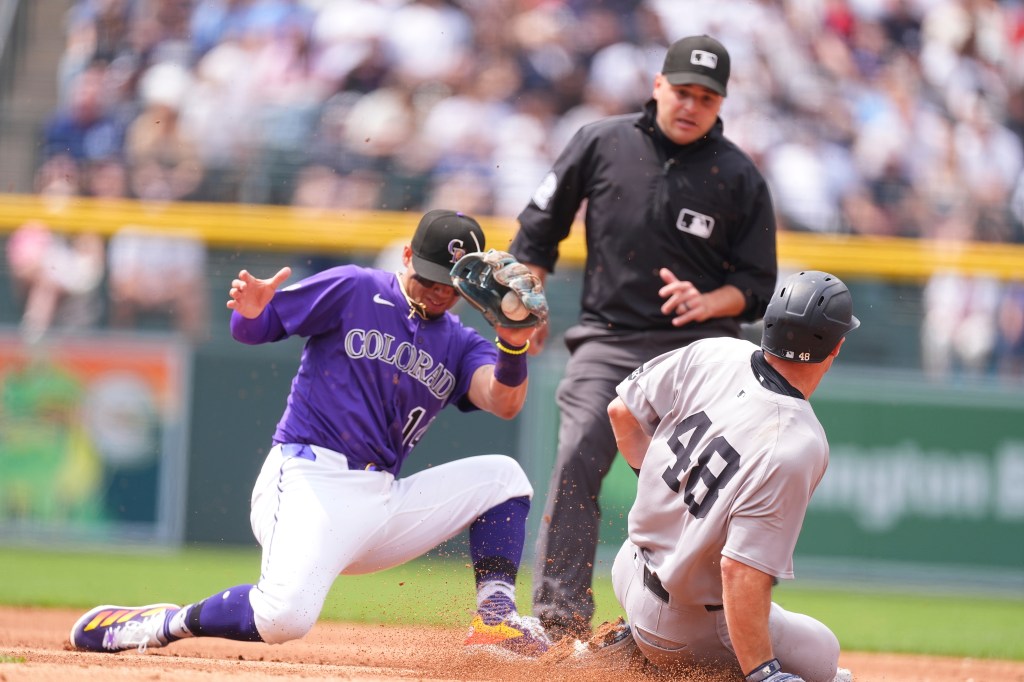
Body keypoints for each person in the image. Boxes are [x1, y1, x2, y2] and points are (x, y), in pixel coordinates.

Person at [69, 209, 551, 657]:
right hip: (308, 478)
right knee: (284, 618)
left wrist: (512, 344)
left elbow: (504, 402)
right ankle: (159, 625)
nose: (436, 290)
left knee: (504, 478)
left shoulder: (461, 343)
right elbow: (254, 328)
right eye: (427, 275)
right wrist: (252, 310)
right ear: (406, 256)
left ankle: (495, 618)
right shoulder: (356, 288)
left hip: (381, 500)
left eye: (449, 283)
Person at [509, 33, 778, 639]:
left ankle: (686, 627)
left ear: (720, 104)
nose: (690, 105)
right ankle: (558, 620)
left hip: (701, 354)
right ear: (658, 86)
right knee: (579, 452)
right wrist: (529, 296)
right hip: (609, 338)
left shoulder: (738, 175)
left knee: (709, 492)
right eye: (681, 91)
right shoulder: (602, 142)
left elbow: (758, 285)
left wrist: (709, 299)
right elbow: (537, 231)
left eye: (705, 98)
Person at [604, 270, 858, 682]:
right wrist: (764, 673)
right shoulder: (799, 441)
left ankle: (634, 646)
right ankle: (668, 659)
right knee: (824, 656)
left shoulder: (715, 352)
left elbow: (621, 412)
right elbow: (740, 572)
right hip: (687, 630)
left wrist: (664, 491)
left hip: (629, 571)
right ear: (836, 347)